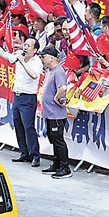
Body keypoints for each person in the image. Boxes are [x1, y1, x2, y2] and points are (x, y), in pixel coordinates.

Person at [0, 36, 42, 167]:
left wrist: (23, 62)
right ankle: (24, 153)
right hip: (17, 96)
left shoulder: (36, 62)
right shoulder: (18, 55)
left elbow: (34, 75)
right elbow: (4, 55)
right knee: (18, 125)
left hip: (28, 98)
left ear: (35, 50)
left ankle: (35, 155)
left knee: (28, 127)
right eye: (25, 45)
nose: (25, 47)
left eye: (29, 46)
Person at [39, 46, 72, 178]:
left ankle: (65, 167)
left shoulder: (58, 71)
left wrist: (56, 98)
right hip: (50, 113)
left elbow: (63, 87)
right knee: (53, 139)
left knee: (58, 140)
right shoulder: (50, 71)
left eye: (43, 57)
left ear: (51, 58)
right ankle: (57, 164)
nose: (42, 59)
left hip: (56, 114)